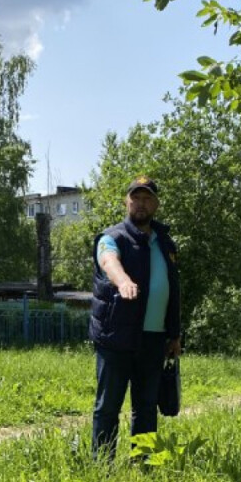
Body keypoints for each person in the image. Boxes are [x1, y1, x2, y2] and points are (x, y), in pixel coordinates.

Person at [90, 176, 181, 460]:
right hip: (117, 336)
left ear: (156, 204)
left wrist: (174, 333)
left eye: (147, 198)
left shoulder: (166, 243)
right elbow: (109, 261)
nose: (141, 204)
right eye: (136, 198)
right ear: (126, 202)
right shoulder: (113, 237)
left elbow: (173, 290)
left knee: (146, 405)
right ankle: (101, 465)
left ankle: (143, 464)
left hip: (154, 338)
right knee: (108, 406)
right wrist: (123, 281)